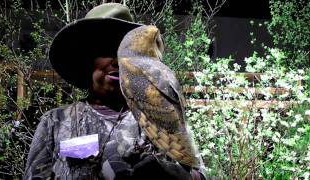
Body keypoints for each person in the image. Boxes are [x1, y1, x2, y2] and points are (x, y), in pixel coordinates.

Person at [23, 3, 205, 180]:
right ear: (87, 59)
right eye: (107, 50)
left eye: (127, 51)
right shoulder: (56, 122)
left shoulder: (163, 116)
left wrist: (178, 175)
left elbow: (198, 173)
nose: (119, 61)